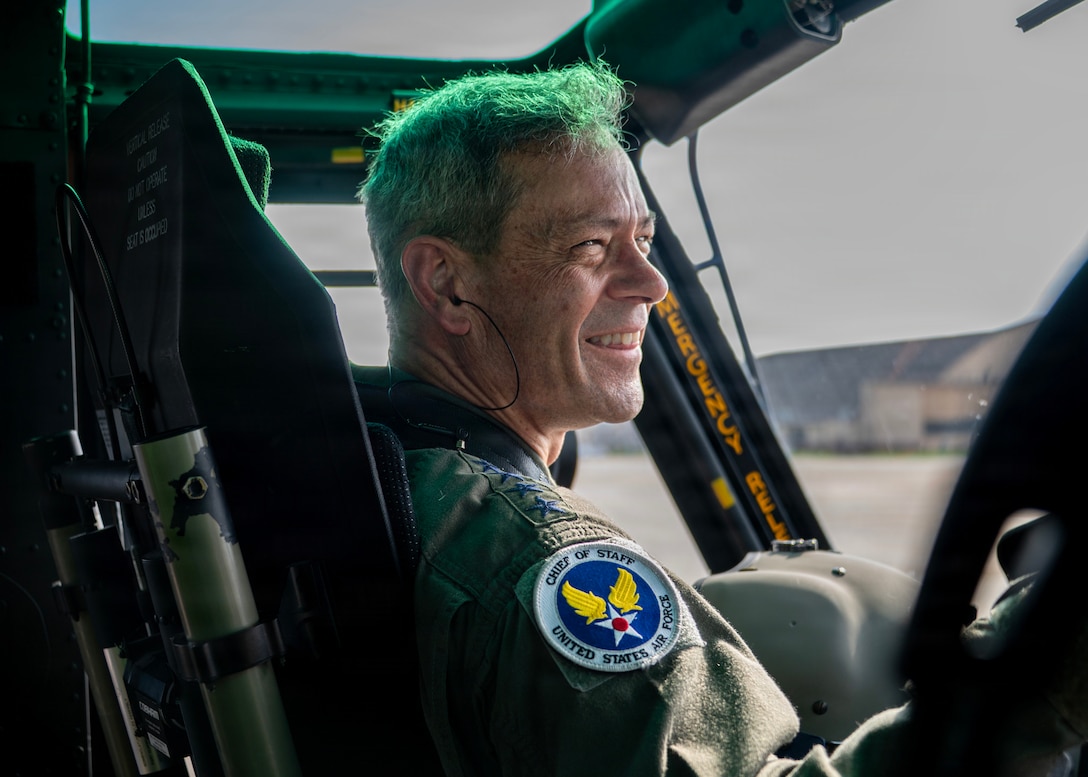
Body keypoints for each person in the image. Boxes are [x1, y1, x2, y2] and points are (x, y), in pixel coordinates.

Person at [355, 62, 1087, 776]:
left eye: (641, 241)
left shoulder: (395, 477)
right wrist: (1049, 675)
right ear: (446, 285)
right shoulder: (541, 560)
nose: (653, 282)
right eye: (591, 246)